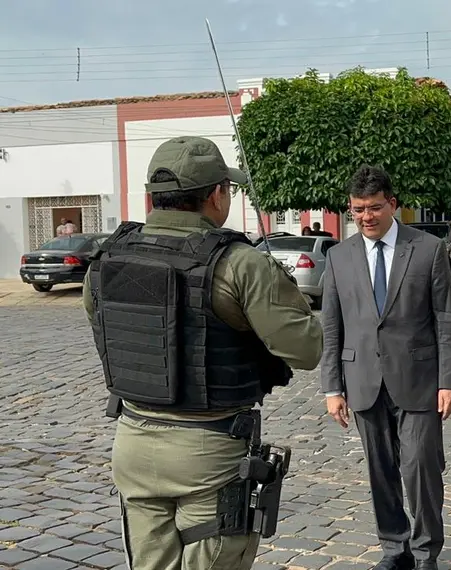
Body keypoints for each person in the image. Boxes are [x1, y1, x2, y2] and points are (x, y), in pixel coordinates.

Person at [81, 136, 323, 570]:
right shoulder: (240, 263)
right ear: (216, 195)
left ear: (152, 197)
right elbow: (305, 349)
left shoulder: (107, 256)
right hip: (208, 453)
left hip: (133, 444)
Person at [320, 164, 451, 570]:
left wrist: (449, 380)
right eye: (358, 209)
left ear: (393, 204)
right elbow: (331, 326)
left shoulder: (427, 249)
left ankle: (425, 551)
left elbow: (445, 320)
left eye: (375, 208)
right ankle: (394, 549)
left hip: (419, 380)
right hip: (362, 379)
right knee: (380, 471)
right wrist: (332, 388)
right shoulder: (339, 257)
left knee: (420, 467)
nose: (366, 217)